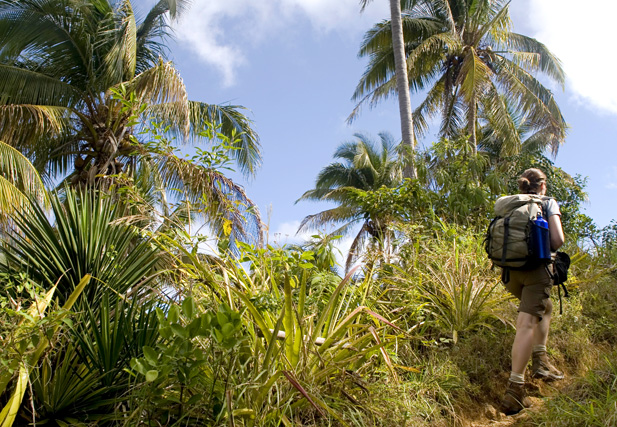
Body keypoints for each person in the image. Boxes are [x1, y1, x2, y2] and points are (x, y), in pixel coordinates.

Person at [500, 168, 565, 415]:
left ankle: (541, 361)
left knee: (544, 308)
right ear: (542, 186)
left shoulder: (510, 204)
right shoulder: (547, 202)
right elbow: (557, 240)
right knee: (527, 322)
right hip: (536, 270)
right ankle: (515, 389)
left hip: (509, 273)